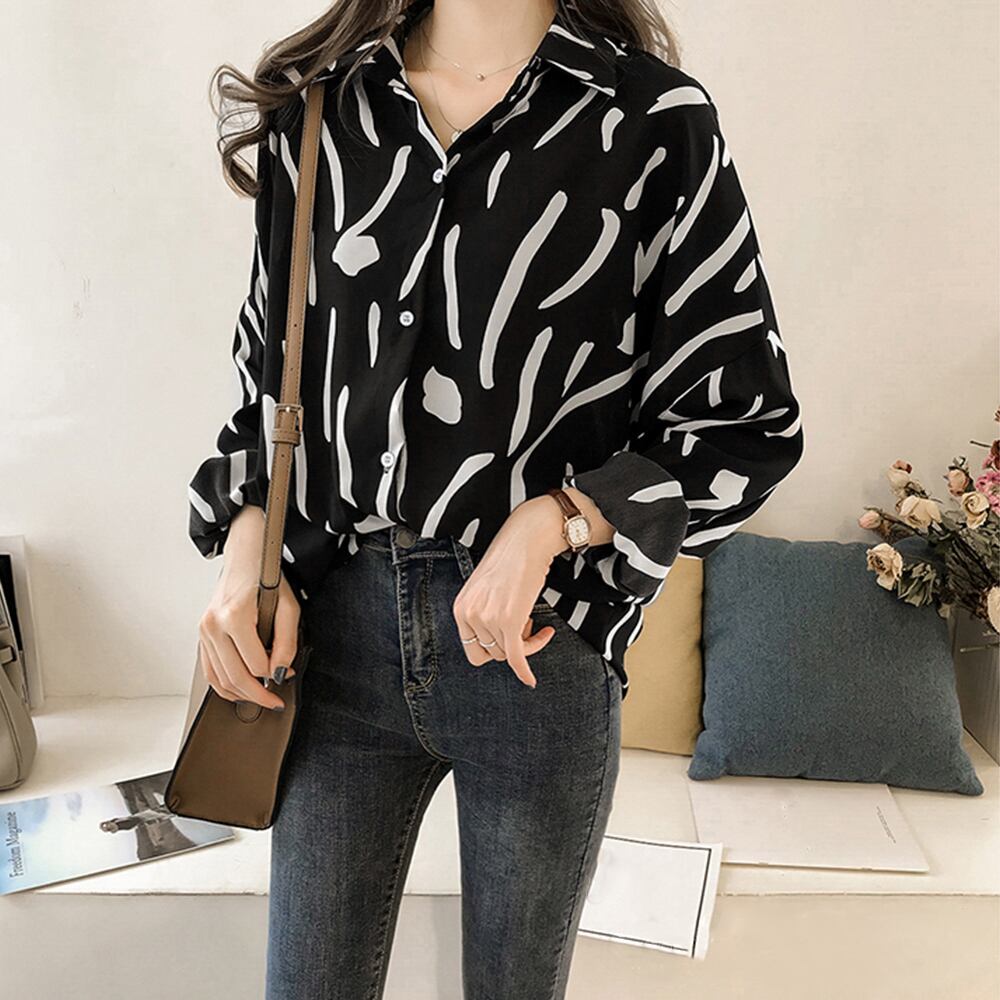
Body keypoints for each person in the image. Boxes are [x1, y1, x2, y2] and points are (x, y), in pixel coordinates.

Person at [187, 1, 805, 997]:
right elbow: (269, 386)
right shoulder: (324, 114)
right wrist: (242, 556)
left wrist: (558, 517)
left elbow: (745, 422)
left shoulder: (650, 121)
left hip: (537, 650)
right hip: (332, 639)